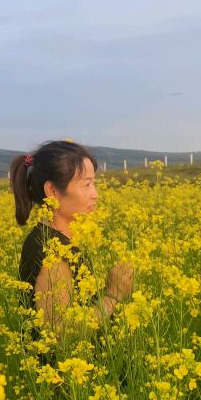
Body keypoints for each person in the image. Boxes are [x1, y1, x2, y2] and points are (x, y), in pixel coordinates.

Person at [9, 140, 134, 347]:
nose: (95, 194)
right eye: (86, 184)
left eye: (94, 183)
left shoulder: (60, 241)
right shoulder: (50, 252)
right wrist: (113, 295)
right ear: (52, 190)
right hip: (65, 379)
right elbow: (59, 334)